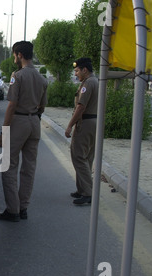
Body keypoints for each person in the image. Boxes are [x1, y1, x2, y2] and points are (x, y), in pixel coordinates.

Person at [0, 41, 48, 222]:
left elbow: (11, 105)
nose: (14, 58)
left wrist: (4, 131)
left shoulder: (17, 76)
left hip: (18, 121)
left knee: (9, 166)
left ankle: (13, 210)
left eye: (14, 55)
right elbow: (42, 106)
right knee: (29, 168)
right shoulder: (42, 78)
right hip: (34, 121)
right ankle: (23, 207)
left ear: (19, 54)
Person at [65, 57, 99, 206]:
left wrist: (70, 125)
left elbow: (81, 107)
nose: (76, 74)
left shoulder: (88, 83)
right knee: (87, 157)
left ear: (85, 70)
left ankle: (87, 192)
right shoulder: (96, 81)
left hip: (85, 123)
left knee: (78, 156)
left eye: (77, 71)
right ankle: (82, 189)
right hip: (94, 122)